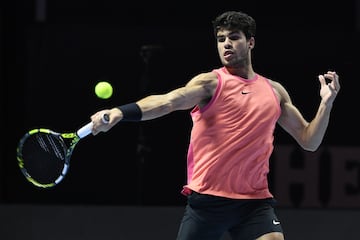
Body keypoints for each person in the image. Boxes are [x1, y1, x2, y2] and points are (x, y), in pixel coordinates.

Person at [90, 10, 340, 240]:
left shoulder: (274, 92)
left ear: (250, 42)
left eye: (233, 37)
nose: (226, 44)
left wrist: (325, 105)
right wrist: (121, 112)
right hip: (207, 203)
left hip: (253, 203)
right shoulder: (211, 83)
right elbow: (168, 102)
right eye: (221, 39)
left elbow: (309, 141)